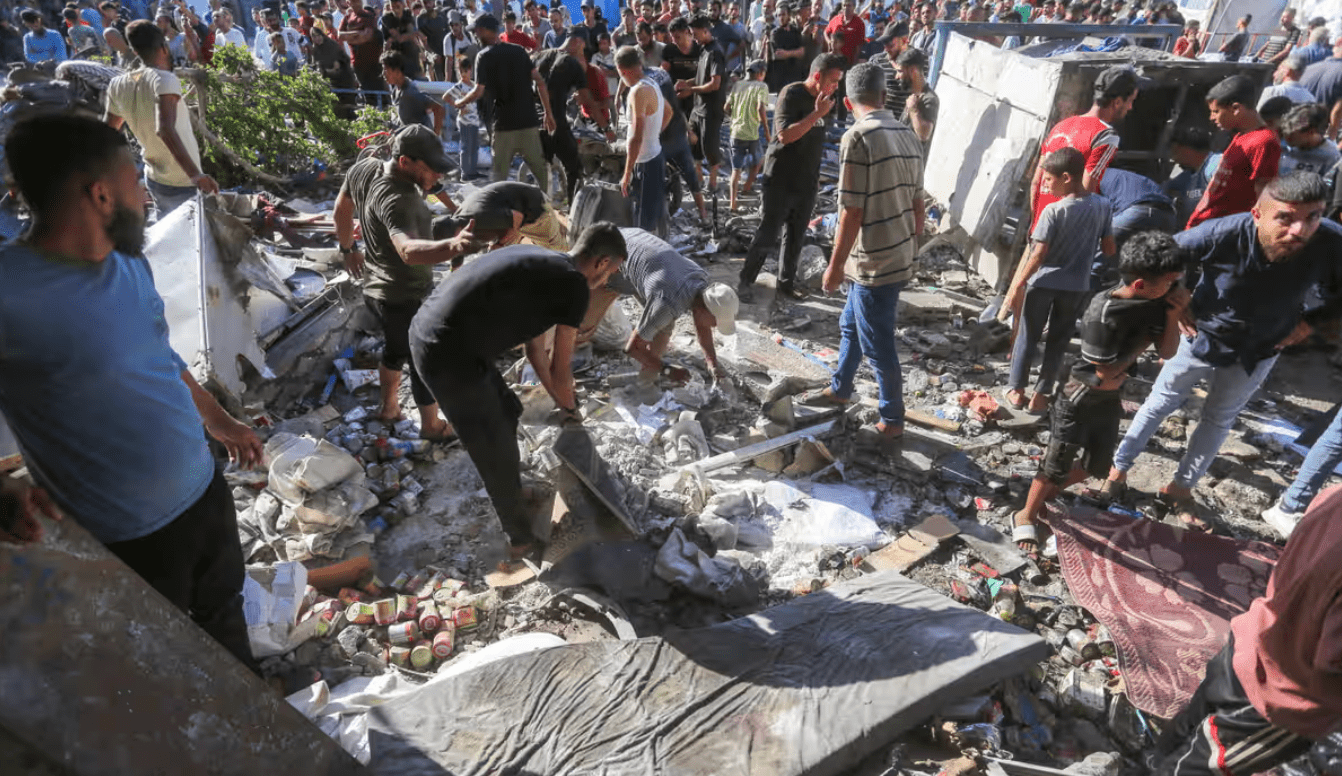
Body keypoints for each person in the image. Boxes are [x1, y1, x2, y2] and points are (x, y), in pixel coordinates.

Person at [0, 113, 263, 672]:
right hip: (126, 541)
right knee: (157, 665)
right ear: (100, 195)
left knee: (225, 620)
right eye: (135, 181)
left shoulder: (128, 261)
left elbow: (159, 355)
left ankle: (255, 706)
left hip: (203, 492)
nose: (147, 196)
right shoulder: (9, 295)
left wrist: (218, 420)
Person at [1103, 173, 1342, 529]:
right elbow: (1158, 256)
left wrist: (1311, 322)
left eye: (1313, 217)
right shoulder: (1223, 233)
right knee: (1160, 402)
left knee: (1218, 420)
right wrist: (1176, 294)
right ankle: (1118, 469)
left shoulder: (1330, 242)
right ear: (1257, 214)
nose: (1299, 230)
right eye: (1285, 217)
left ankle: (1180, 488)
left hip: (1260, 350)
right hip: (1201, 336)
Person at [408, 224, 627, 569]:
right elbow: (561, 368)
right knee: (492, 445)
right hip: (447, 352)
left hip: (433, 332)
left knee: (508, 411)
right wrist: (571, 414)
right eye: (611, 271)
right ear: (600, 262)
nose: (607, 280)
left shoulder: (545, 261)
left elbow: (535, 352)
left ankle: (514, 490)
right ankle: (520, 541)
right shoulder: (573, 286)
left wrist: (564, 407)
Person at [1149, 485, 1342, 775]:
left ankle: (1152, 761)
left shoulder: (1335, 494)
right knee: (1204, 764)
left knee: (1190, 722)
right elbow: (1332, 664)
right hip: (1283, 696)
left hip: (1252, 636)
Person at [1009, 232, 1185, 550]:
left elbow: (1169, 351)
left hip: (1109, 397)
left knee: (1097, 466)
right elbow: (1105, 373)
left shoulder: (1157, 303)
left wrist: (1173, 316)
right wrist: (1145, 342)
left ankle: (1044, 499)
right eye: (1169, 282)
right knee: (1055, 463)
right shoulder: (1104, 311)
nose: (1174, 288)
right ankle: (1025, 514)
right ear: (1141, 284)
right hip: (1078, 396)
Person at [808, 62, 925, 443]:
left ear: (847, 102)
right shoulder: (908, 134)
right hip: (896, 251)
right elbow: (918, 204)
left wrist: (834, 266)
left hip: (874, 260)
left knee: (878, 343)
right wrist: (910, 247)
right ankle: (841, 387)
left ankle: (892, 420)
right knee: (851, 326)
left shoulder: (857, 136)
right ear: (883, 96)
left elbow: (852, 211)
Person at [334, 125, 474, 444]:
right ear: (404, 162)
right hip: (404, 292)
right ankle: (431, 426)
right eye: (431, 168)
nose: (438, 175)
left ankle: (388, 408)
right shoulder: (401, 200)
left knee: (396, 347)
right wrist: (454, 245)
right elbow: (409, 252)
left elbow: (341, 208)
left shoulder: (365, 168)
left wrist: (347, 249)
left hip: (377, 287)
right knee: (424, 357)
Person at [1001, 148, 1116, 414]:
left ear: (1066, 177)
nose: (1045, 185)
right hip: (1076, 286)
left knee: (1027, 336)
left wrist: (1019, 283)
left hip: (1042, 284)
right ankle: (1040, 397)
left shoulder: (1053, 211)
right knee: (1058, 341)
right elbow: (1109, 248)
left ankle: (1016, 391)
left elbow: (1038, 254)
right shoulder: (1102, 206)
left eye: (1049, 179)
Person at [739, 53, 846, 301]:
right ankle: (745, 281)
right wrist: (816, 114)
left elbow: (816, 138)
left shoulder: (827, 101)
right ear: (817, 76)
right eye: (832, 81)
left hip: (807, 180)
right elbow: (784, 136)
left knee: (796, 235)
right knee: (768, 233)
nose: (835, 86)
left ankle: (786, 284)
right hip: (780, 178)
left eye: (838, 82)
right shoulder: (791, 94)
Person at [104, 20, 217, 219]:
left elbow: (108, 132)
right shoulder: (164, 79)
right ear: (164, 47)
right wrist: (195, 175)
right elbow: (164, 129)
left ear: (135, 51)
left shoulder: (117, 84)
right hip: (182, 181)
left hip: (154, 178)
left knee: (167, 231)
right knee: (193, 234)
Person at [607, 227, 738, 383]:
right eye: (715, 322)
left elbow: (702, 325)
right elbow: (631, 348)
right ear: (705, 310)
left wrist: (712, 364)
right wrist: (667, 370)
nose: (714, 326)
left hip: (636, 239)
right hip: (612, 248)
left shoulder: (700, 281)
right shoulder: (667, 303)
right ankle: (646, 375)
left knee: (664, 327)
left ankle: (648, 375)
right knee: (596, 313)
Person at [1028, 66, 1137, 234]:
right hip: (1065, 232)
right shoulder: (1105, 135)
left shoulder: (1061, 126)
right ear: (1117, 102)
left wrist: (1035, 226)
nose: (1130, 107)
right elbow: (1086, 190)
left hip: (1039, 227)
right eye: (1130, 101)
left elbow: (1036, 182)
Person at [451, 15, 555, 184]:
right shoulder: (519, 51)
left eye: (477, 31)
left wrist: (459, 102)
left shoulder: (483, 56)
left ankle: (502, 202)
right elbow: (540, 82)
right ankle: (548, 200)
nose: (476, 35)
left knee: (499, 179)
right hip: (528, 122)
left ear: (485, 31)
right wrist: (548, 113)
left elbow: (478, 91)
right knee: (541, 173)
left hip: (503, 126)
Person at [1187, 75, 1280, 228]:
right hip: (1206, 223)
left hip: (1224, 228)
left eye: (1216, 111)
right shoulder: (1241, 135)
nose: (1211, 117)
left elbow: (1263, 191)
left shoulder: (1263, 142)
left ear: (1236, 108)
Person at [536, 33, 602, 203]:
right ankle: (572, 206)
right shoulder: (572, 63)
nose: (583, 53)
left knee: (543, 167)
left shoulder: (540, 55)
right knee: (574, 167)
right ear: (578, 42)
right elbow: (586, 98)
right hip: (555, 122)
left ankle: (542, 207)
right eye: (583, 48)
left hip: (535, 122)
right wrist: (606, 127)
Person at [616, 44, 672, 232]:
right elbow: (668, 112)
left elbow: (636, 136)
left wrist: (626, 173)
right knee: (651, 219)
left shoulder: (638, 92)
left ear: (622, 70)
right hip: (655, 156)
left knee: (643, 227)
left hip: (645, 163)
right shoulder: (652, 83)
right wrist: (654, 134)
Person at [678, 14, 726, 194]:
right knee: (692, 142)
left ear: (705, 31)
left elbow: (715, 84)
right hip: (698, 107)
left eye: (695, 34)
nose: (693, 38)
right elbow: (700, 77)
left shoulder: (715, 52)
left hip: (711, 109)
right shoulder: (704, 49)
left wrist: (691, 90)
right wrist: (686, 83)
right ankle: (698, 180)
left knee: (709, 147)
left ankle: (713, 184)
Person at [452, 180, 568, 252]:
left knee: (557, 251)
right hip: (511, 210)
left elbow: (518, 218)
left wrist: (500, 244)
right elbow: (457, 252)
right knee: (503, 249)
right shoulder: (458, 219)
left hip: (534, 209)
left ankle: (558, 220)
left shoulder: (482, 218)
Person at [725, 58, 768, 212]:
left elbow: (726, 107)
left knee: (735, 170)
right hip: (751, 134)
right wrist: (767, 131)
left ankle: (733, 205)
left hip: (736, 133)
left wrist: (735, 118)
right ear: (760, 73)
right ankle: (747, 187)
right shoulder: (761, 86)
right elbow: (760, 109)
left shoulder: (737, 85)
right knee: (759, 160)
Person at [1101, 168, 1179, 251]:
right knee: (1156, 253)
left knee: (1098, 240)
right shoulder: (1126, 175)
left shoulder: (1094, 177)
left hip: (1135, 212)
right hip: (1167, 214)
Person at [1164, 125, 1221, 227]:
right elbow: (1162, 188)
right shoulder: (1187, 176)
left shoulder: (1215, 165)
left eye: (1175, 152)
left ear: (1187, 151)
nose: (1174, 159)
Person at [383, 50, 444, 134]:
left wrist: (435, 134)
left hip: (420, 139)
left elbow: (438, 108)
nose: (383, 74)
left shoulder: (410, 91)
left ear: (397, 71)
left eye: (386, 70)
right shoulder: (396, 91)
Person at [338, 0, 386, 105]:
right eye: (353, 2)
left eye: (358, 1)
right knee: (367, 94)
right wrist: (357, 33)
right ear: (349, 3)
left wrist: (350, 38)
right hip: (357, 62)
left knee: (379, 93)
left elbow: (366, 36)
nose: (356, 4)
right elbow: (340, 35)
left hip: (373, 61)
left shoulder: (368, 15)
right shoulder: (347, 18)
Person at [1280, 102, 1342, 178]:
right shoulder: (1286, 148)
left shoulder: (1332, 157)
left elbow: (1329, 182)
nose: (1287, 138)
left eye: (1292, 134)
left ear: (1311, 132)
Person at [310, 24, 359, 118]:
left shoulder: (331, 45)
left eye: (318, 35)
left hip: (344, 80)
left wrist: (326, 71)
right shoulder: (315, 50)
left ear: (322, 35)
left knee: (349, 109)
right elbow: (316, 65)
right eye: (314, 37)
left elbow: (338, 66)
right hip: (330, 83)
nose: (317, 38)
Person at [447, 54, 482, 179]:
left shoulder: (474, 85)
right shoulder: (459, 86)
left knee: (474, 147)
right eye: (461, 71)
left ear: (470, 70)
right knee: (466, 147)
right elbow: (446, 97)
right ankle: (465, 173)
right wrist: (458, 106)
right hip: (464, 121)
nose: (463, 74)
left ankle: (473, 171)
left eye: (466, 71)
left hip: (475, 120)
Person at [896, 46, 935, 155]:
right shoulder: (913, 97)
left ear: (913, 71)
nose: (897, 76)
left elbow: (923, 135)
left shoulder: (929, 99)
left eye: (900, 71)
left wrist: (913, 110)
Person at [1301, 36, 1342, 141]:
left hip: (1296, 133)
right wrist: (1331, 140)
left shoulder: (1308, 69)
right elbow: (1337, 112)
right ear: (1339, 42)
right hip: (1320, 137)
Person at [866, 21, 909, 116]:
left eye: (890, 45)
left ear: (904, 40)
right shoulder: (876, 60)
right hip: (881, 119)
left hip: (906, 123)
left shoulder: (919, 60)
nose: (886, 49)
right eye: (884, 43)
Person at [662, 17, 700, 119]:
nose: (675, 41)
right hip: (675, 96)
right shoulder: (669, 50)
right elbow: (663, 72)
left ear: (686, 32)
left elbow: (707, 75)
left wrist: (689, 86)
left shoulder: (699, 49)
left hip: (696, 94)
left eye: (677, 37)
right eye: (672, 37)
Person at [379, 0, 424, 79]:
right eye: (393, 4)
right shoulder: (386, 18)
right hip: (394, 53)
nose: (395, 6)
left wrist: (420, 48)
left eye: (397, 4)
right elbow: (399, 38)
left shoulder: (407, 14)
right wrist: (412, 35)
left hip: (410, 53)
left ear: (403, 4)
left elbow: (411, 33)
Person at [769, 3, 805, 91]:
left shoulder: (795, 31)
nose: (781, 17)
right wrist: (794, 53)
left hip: (795, 74)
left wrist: (787, 53)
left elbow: (802, 52)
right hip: (780, 76)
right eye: (779, 15)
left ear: (788, 15)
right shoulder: (775, 33)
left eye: (784, 14)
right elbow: (778, 54)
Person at [418, 1, 449, 80]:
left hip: (445, 46)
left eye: (429, 1)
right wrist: (430, 52)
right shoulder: (421, 19)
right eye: (425, 2)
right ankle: (440, 83)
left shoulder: (441, 14)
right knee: (437, 58)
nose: (427, 4)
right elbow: (423, 40)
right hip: (431, 49)